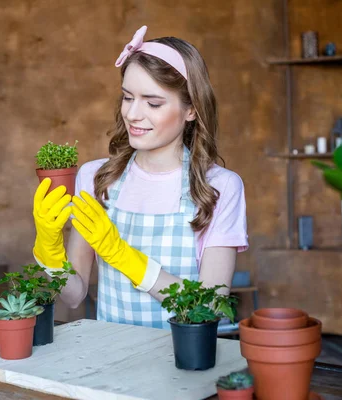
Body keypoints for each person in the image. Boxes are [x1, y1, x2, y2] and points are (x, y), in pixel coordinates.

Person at [32, 26, 248, 329]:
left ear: (191, 110)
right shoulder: (96, 178)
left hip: (184, 361)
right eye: (127, 97)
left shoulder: (219, 187)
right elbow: (73, 296)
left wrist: (124, 256)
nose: (133, 114)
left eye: (153, 103)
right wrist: (49, 250)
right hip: (112, 361)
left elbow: (209, 306)